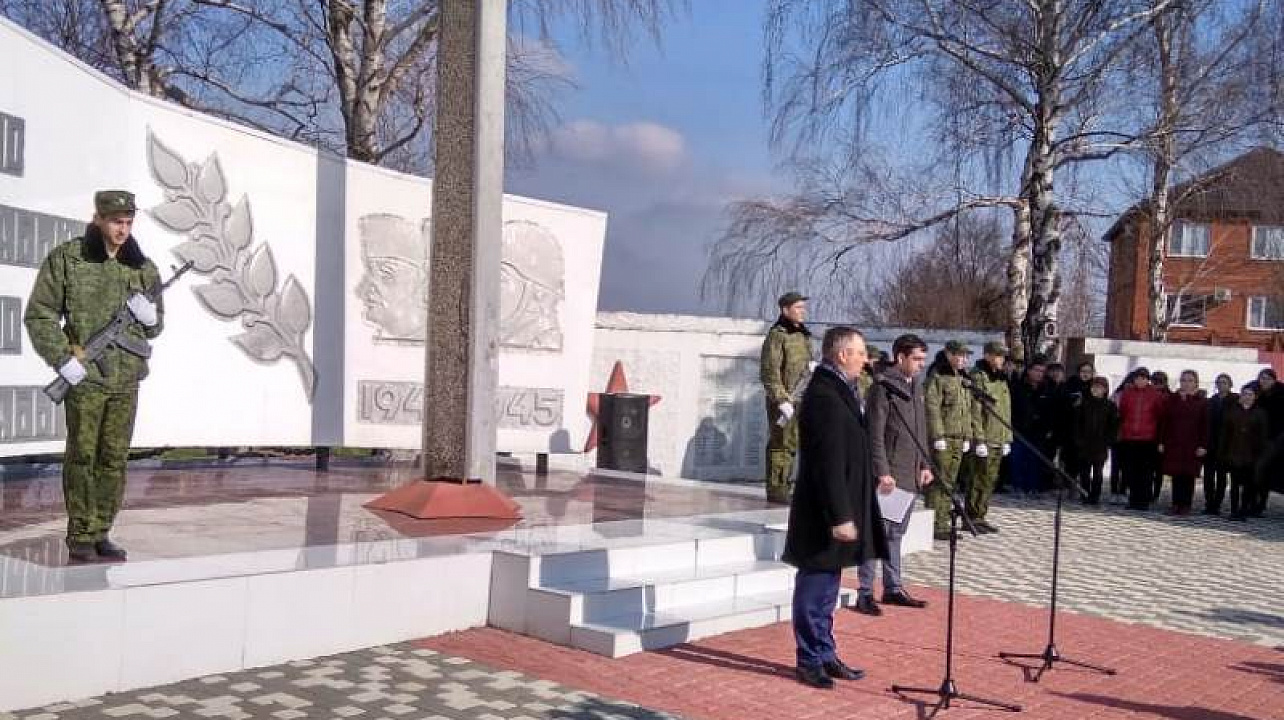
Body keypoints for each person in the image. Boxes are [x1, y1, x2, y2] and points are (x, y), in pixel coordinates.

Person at [23, 190, 164, 563]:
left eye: (129, 222)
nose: (123, 229)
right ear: (98, 219)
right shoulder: (70, 259)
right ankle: (81, 533)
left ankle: (102, 530)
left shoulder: (143, 268)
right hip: (85, 378)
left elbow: (155, 328)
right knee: (83, 455)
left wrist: (150, 318)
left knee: (114, 458)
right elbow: (39, 314)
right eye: (116, 221)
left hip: (125, 380)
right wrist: (61, 357)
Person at [783, 326, 886, 689]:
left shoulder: (842, 389)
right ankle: (809, 660)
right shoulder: (824, 396)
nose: (865, 360)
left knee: (827, 590)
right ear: (842, 354)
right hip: (824, 515)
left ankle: (825, 654)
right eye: (860, 353)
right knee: (814, 589)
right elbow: (827, 463)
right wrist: (840, 516)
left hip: (838, 511)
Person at [855, 334, 933, 616]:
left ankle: (892, 586)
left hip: (910, 472)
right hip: (890, 475)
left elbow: (920, 428)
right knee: (876, 534)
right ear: (900, 357)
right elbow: (874, 434)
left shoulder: (915, 386)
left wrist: (925, 464)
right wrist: (882, 471)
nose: (921, 365)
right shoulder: (883, 387)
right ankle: (864, 591)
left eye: (924, 359)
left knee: (895, 534)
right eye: (917, 359)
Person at [760, 291, 813, 504]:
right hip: (784, 401)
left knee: (796, 444)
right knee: (781, 445)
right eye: (798, 308)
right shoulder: (778, 335)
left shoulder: (803, 334)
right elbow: (769, 370)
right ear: (785, 310)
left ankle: (791, 486)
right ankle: (777, 491)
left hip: (802, 398)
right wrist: (780, 399)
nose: (803, 311)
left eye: (803, 307)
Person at [924, 342, 974, 541]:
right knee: (940, 481)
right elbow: (932, 408)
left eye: (965, 356)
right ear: (948, 354)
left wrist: (967, 436)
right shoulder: (938, 376)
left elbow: (967, 410)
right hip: (943, 437)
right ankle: (935, 523)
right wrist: (937, 436)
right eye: (960, 355)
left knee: (950, 481)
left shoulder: (962, 378)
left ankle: (943, 520)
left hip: (958, 436)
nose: (963, 360)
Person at [966, 341, 1012, 533]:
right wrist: (979, 439)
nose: (1001, 360)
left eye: (1003, 356)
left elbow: (1005, 410)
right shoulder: (978, 377)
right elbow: (975, 411)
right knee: (978, 478)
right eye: (998, 355)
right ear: (987, 356)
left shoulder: (1000, 378)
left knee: (990, 479)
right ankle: (971, 516)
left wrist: (1007, 437)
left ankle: (980, 515)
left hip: (998, 436)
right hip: (984, 436)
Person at [1157, 370, 1209, 516]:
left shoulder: (1202, 402)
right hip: (1174, 442)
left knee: (1188, 475)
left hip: (1192, 443)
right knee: (1176, 474)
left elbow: (1205, 425)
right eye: (1184, 380)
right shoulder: (1172, 400)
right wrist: (1161, 441)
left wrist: (1203, 445)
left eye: (1190, 380)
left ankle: (1186, 504)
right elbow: (1164, 422)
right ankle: (1175, 503)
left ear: (1196, 383)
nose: (1186, 383)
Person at [1218, 384, 1269, 522]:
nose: (1247, 397)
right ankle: (1234, 510)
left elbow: (1263, 437)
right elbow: (1225, 434)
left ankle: (1244, 510)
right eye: (1244, 394)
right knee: (1234, 484)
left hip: (1251, 455)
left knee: (1248, 485)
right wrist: (1222, 452)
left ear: (1255, 397)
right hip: (1234, 453)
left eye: (1250, 394)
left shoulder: (1260, 413)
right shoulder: (1232, 411)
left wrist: (1260, 456)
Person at [1117, 368, 1165, 511]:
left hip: (1147, 439)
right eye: (1138, 378)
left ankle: (1143, 501)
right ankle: (1133, 500)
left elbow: (1159, 415)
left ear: (1147, 380)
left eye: (1143, 378)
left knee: (1145, 472)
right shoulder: (1127, 394)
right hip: (1129, 437)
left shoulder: (1155, 395)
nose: (1140, 381)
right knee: (1130, 471)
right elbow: (1123, 412)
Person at [1070, 376, 1119, 504]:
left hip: (1100, 445)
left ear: (1105, 390)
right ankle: (1085, 494)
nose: (1097, 389)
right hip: (1084, 444)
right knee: (1084, 472)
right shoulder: (1083, 404)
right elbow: (1076, 423)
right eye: (1094, 387)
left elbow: (1114, 425)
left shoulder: (1110, 406)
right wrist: (1078, 439)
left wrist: (1109, 440)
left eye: (1100, 387)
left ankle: (1095, 496)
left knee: (1098, 473)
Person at [1008, 357, 1054, 494]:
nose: (1039, 373)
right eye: (1037, 370)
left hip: (1038, 432)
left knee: (1034, 461)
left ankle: (1032, 486)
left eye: (1042, 371)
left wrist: (1048, 428)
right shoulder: (1018, 387)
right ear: (1029, 371)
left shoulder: (1046, 389)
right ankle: (1017, 485)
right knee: (1017, 459)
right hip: (1019, 430)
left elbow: (1051, 411)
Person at [1203, 374, 1237, 515]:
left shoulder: (1235, 401)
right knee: (1208, 476)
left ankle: (1217, 503)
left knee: (1222, 477)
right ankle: (1209, 503)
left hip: (1226, 445)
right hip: (1210, 443)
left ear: (1230, 385)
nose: (1221, 385)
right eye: (1219, 383)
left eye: (1224, 382)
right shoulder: (1211, 401)